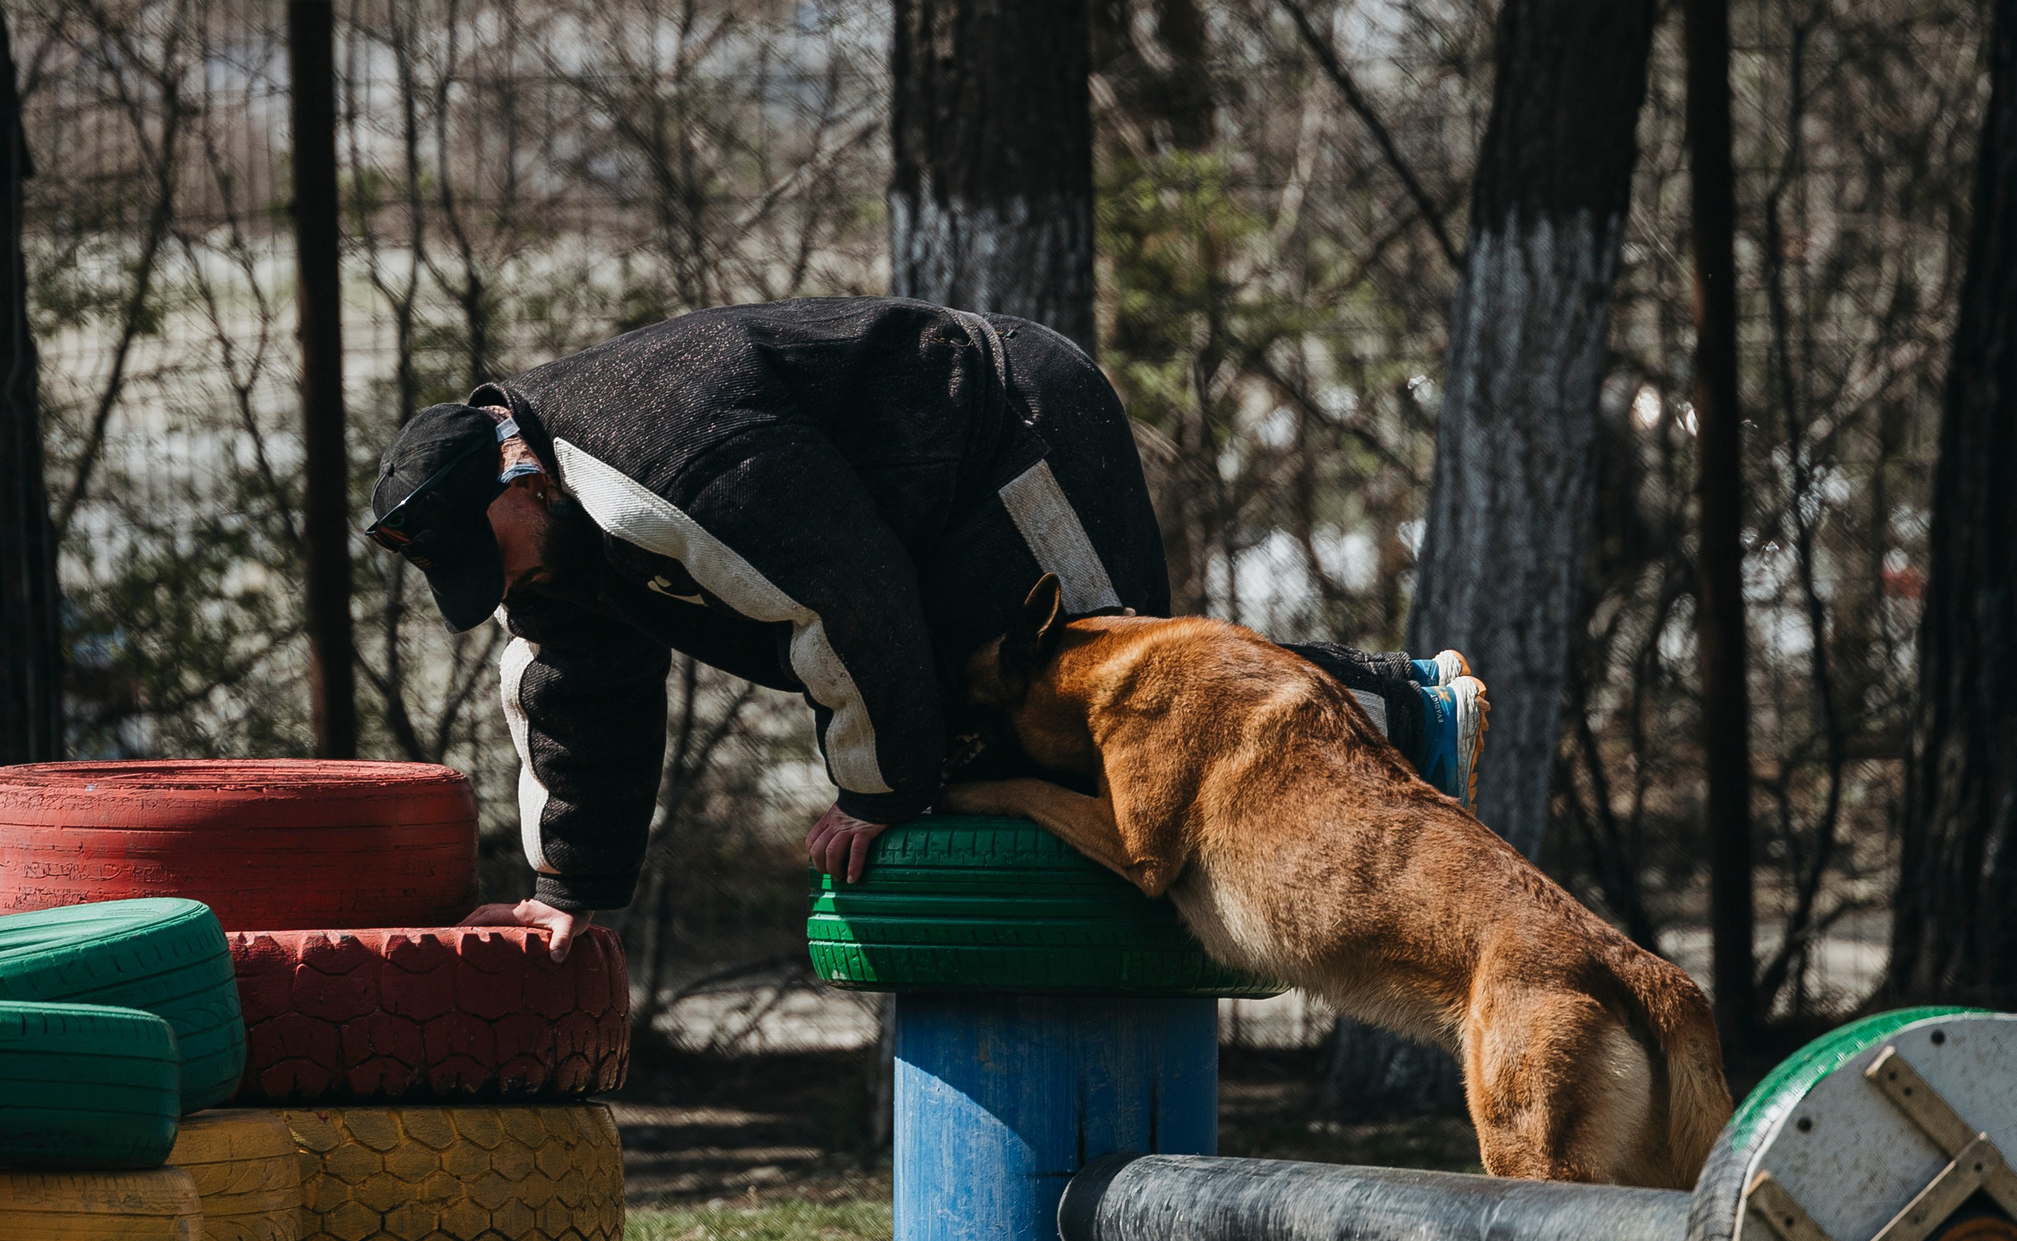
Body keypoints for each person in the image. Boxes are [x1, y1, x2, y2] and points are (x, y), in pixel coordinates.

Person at [365, 297, 1487, 954]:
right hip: (905, 516)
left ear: (517, 474)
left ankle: (1408, 711)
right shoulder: (553, 533)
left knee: (1121, 705)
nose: (499, 585)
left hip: (1001, 432)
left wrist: (874, 791)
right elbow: (579, 691)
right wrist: (573, 897)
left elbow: (840, 600)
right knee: (1001, 751)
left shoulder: (666, 464)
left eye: (488, 552)